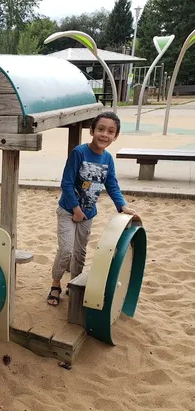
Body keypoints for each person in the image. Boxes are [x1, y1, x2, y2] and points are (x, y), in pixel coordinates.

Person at [47, 112, 137, 306]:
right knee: (66, 249)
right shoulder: (79, 152)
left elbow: (112, 184)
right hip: (68, 211)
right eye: (101, 129)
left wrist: (122, 205)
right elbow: (67, 183)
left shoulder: (108, 159)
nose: (105, 134)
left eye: (110, 132)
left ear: (116, 136)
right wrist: (75, 209)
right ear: (92, 131)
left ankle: (74, 284)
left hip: (88, 215)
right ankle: (55, 283)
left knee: (79, 252)